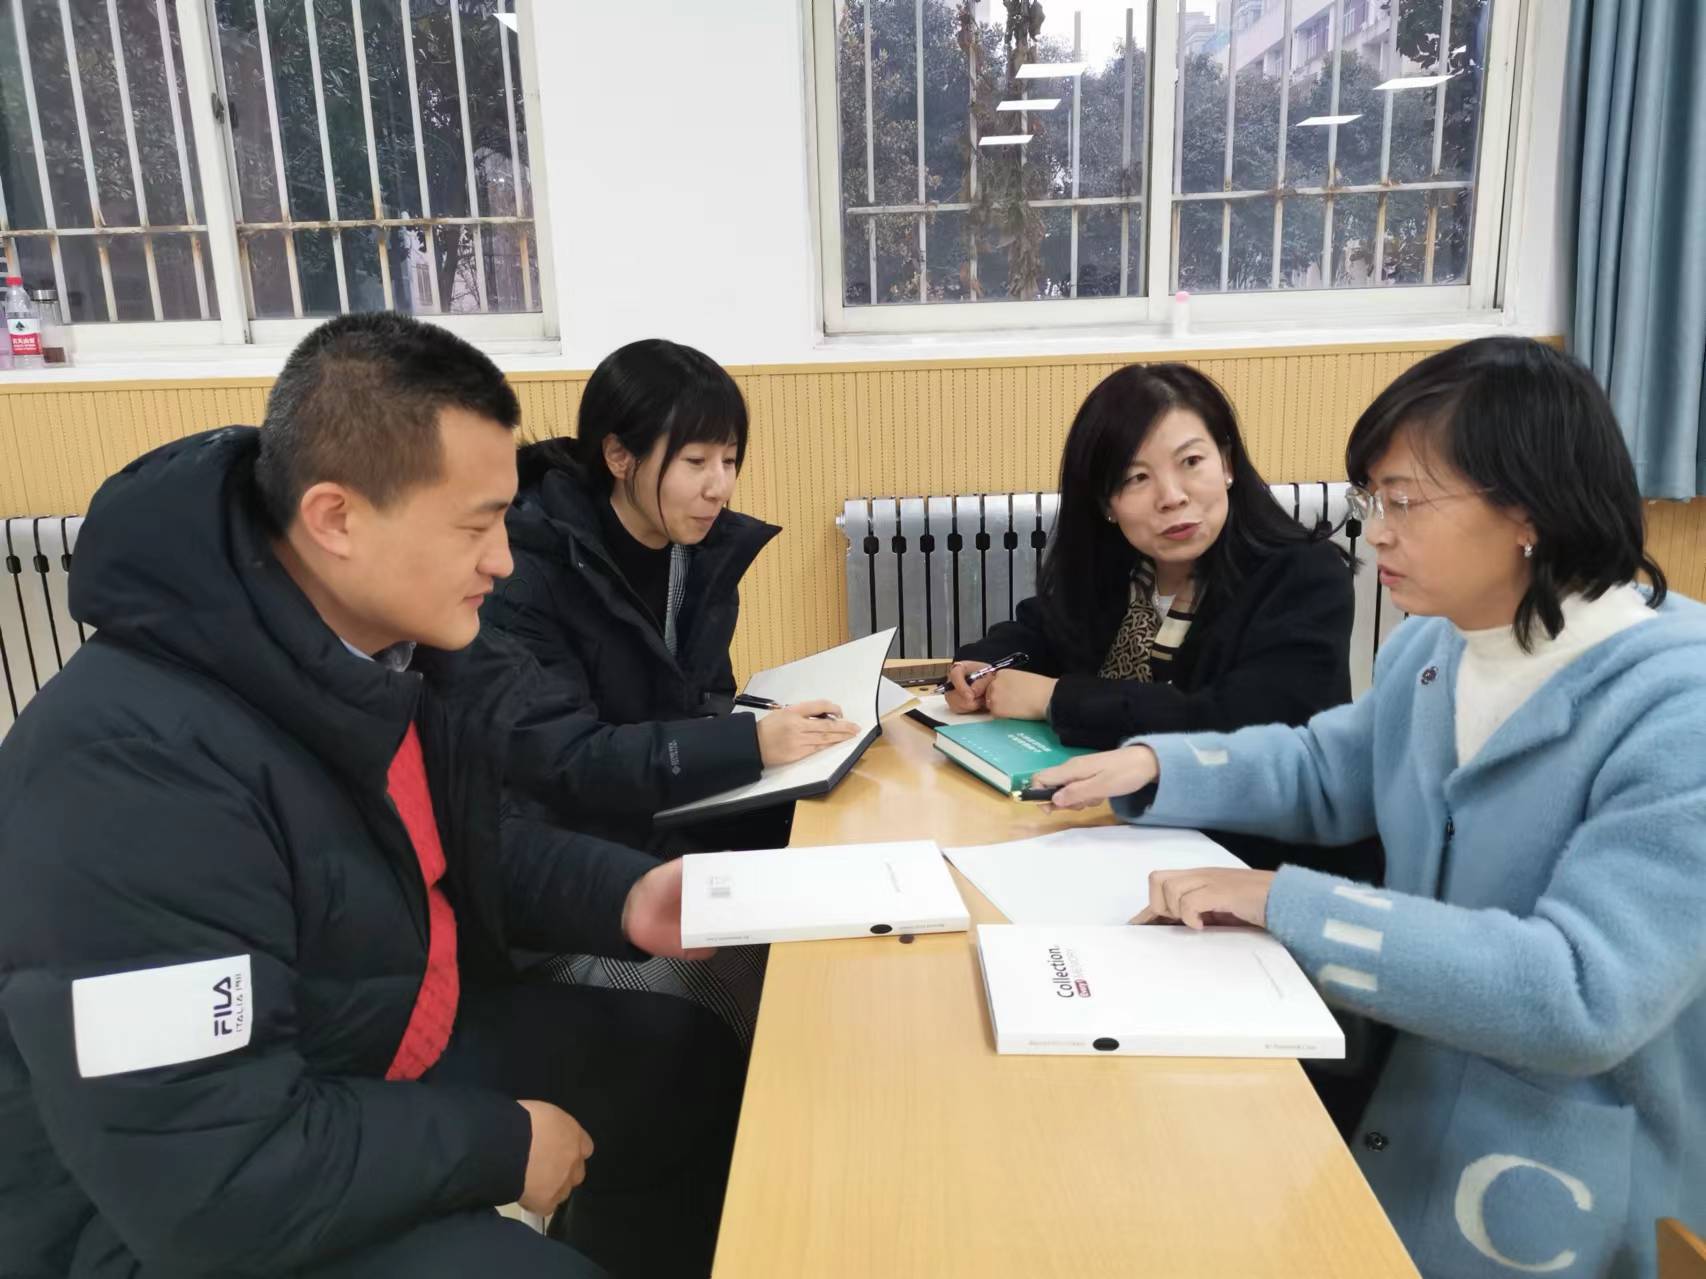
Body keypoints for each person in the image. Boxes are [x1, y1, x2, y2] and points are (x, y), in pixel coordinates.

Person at [0, 314, 742, 1279]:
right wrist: (503, 1143)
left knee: (685, 1067)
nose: (503, 560)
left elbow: (446, 847)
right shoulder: (128, 771)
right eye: (475, 526)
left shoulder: (382, 655)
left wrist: (624, 895)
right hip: (165, 1208)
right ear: (336, 518)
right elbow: (213, 1178)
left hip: (361, 1046)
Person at [1037, 337, 1706, 1279]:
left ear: (1528, 508)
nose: (1376, 534)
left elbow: (1581, 994)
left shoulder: (1676, 706)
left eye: (1404, 502)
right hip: (1409, 1109)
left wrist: (1285, 900)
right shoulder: (1438, 646)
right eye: (1371, 502)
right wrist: (1156, 763)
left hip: (1559, 1187)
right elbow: (1326, 766)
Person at [948, 362, 1371, 881]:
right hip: (1119, 834)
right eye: (1136, 478)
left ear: (1227, 464)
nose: (1172, 496)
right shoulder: (1123, 567)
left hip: (1254, 863)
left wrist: (1056, 698)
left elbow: (1237, 724)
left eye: (1191, 461)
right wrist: (983, 664)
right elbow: (1042, 628)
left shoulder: (1304, 575)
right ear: (1106, 503)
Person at [487, 338, 858, 857]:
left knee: (845, 816)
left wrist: (754, 733)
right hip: (580, 846)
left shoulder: (697, 551)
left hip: (670, 805)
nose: (719, 487)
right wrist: (747, 744)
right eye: (696, 460)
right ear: (619, 456)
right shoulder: (526, 569)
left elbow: (705, 698)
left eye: (729, 460)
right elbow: (564, 760)